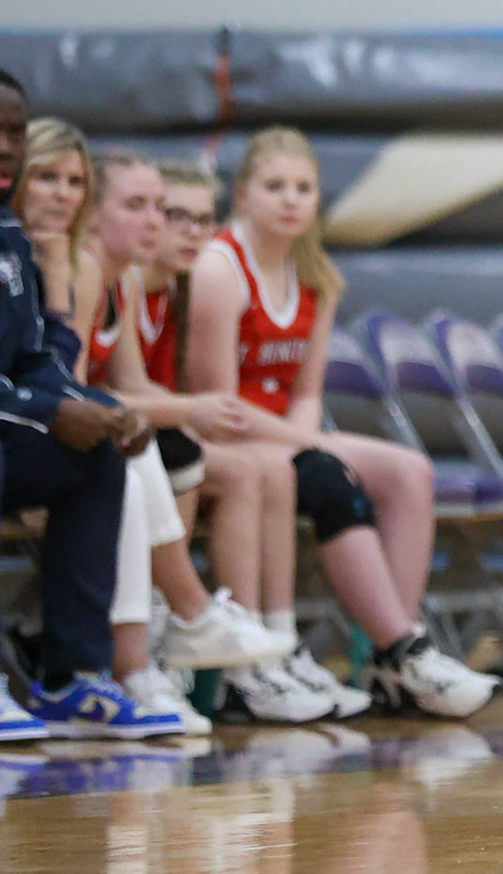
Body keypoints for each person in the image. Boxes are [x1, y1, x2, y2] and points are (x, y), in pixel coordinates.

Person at [185, 126, 500, 719]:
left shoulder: (317, 277)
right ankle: (401, 647)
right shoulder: (220, 269)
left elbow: (307, 391)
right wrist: (305, 441)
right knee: (330, 475)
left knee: (409, 471)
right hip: (229, 435)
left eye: (303, 187)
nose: (290, 199)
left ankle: (397, 655)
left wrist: (303, 436)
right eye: (274, 185)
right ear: (243, 194)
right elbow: (216, 400)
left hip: (286, 435)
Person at [90, 154, 324, 724]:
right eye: (168, 213)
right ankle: (173, 639)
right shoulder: (101, 275)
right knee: (198, 460)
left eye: (202, 219)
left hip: (123, 435)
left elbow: (139, 386)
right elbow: (83, 391)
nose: (184, 230)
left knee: (232, 465)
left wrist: (182, 412)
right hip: (82, 440)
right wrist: (187, 411)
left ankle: (256, 647)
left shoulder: (161, 287)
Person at [0, 70, 184, 740]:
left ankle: (73, 678)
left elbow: (35, 359)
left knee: (96, 454)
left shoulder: (11, 236)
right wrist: (53, 412)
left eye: (14, 131)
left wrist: (94, 406)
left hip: (9, 422)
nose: (4, 145)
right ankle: (186, 619)